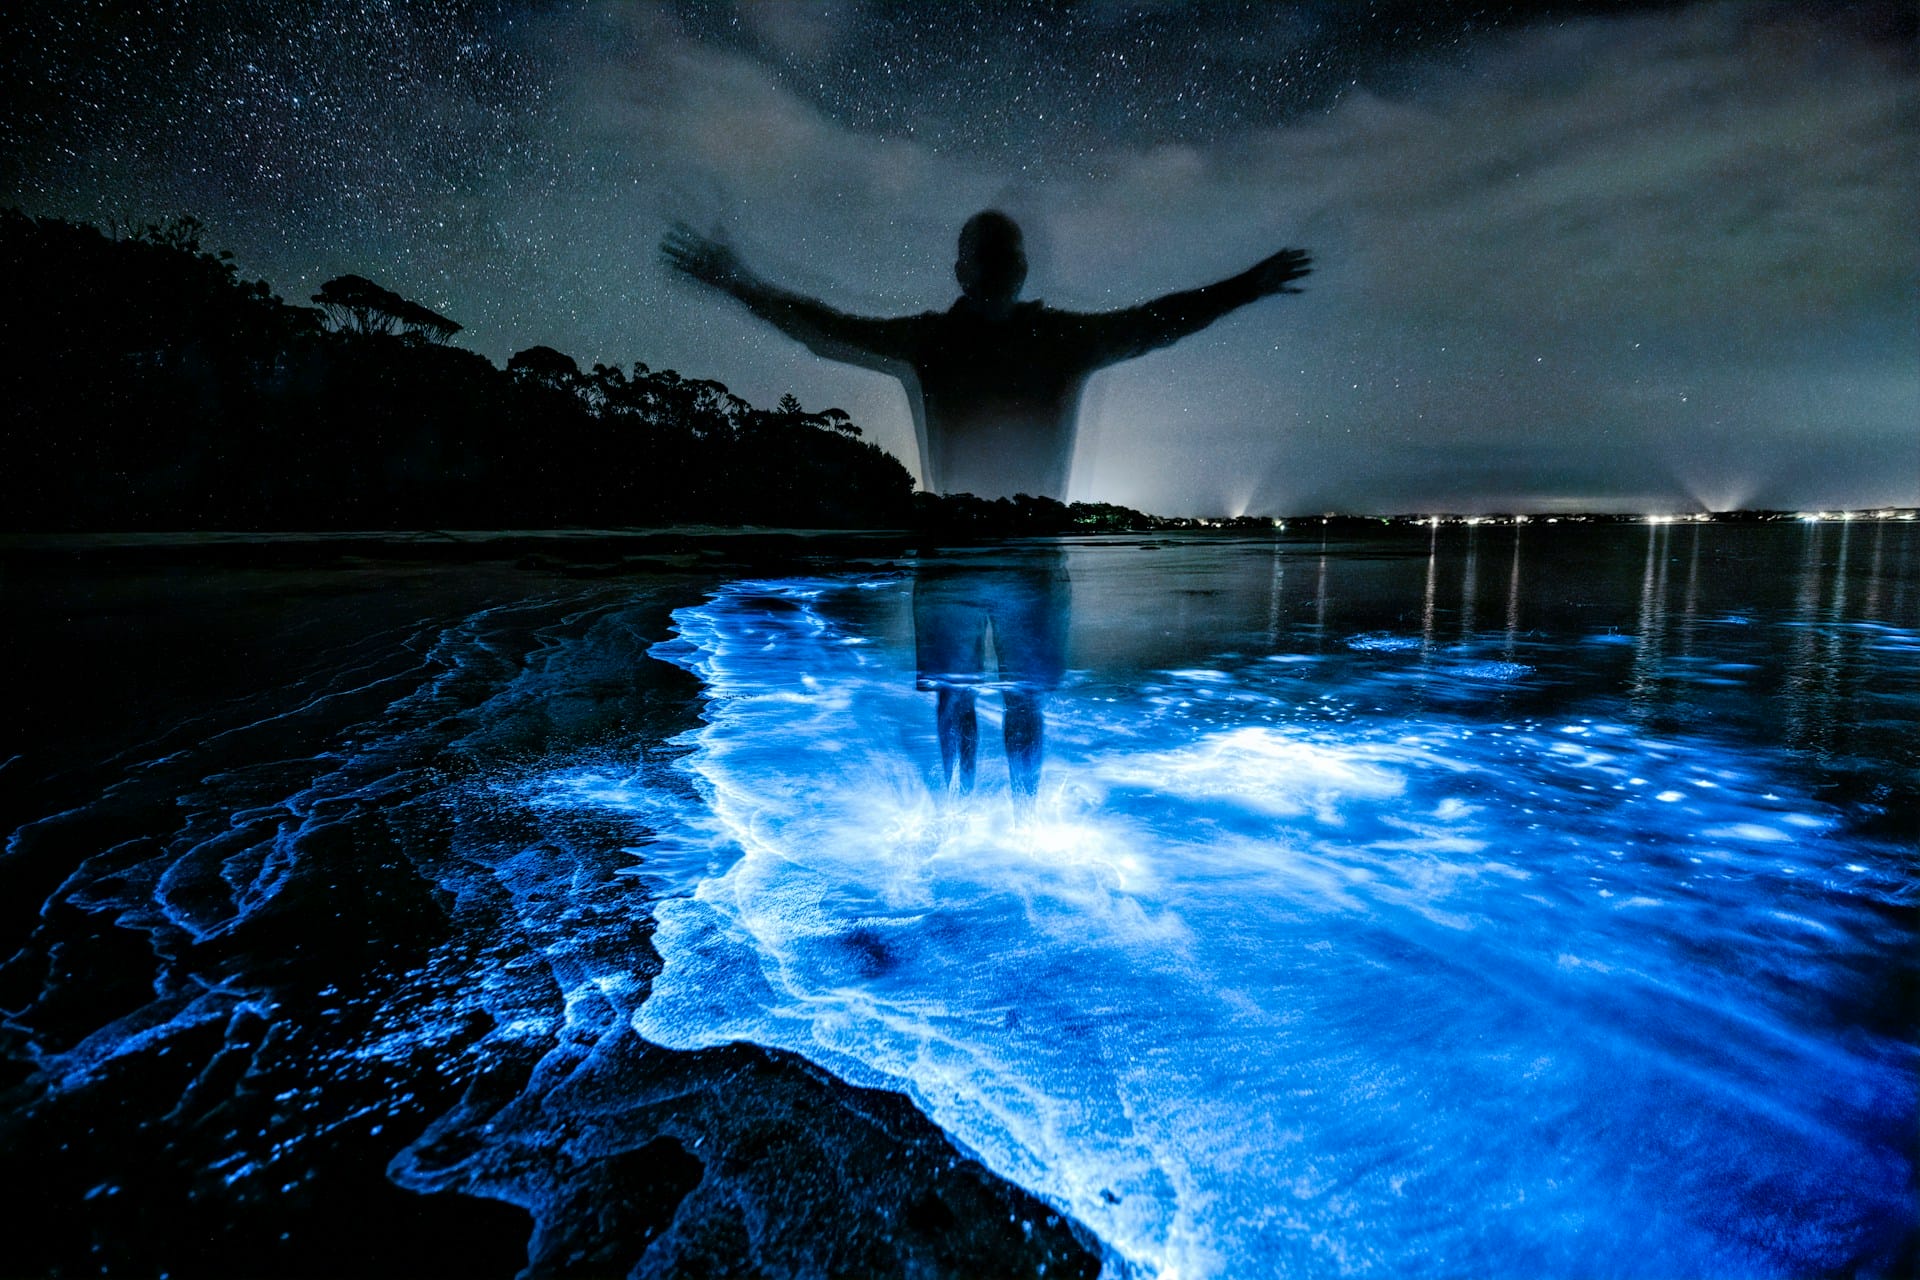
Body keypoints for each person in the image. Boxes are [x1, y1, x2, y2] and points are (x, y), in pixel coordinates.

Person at [661, 212, 1311, 801]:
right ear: (965, 270)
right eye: (986, 255)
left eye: (1002, 255)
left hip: (1011, 555)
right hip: (963, 553)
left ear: (1015, 269)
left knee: (1008, 698)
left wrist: (1246, 287)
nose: (996, 267)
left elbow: (1158, 322)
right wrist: (735, 282)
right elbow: (822, 330)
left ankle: (1004, 828)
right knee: (965, 696)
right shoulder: (945, 339)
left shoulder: (1047, 338)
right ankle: (965, 825)